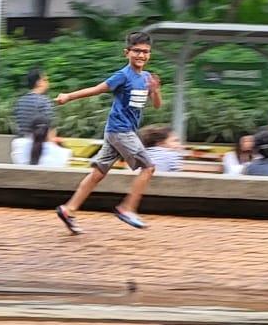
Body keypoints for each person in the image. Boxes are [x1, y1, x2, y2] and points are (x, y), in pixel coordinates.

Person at [52, 31, 162, 233]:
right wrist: (68, 97)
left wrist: (155, 90)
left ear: (150, 55)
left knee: (98, 173)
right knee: (149, 168)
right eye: (136, 51)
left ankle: (69, 209)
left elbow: (156, 105)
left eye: (145, 52)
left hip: (117, 132)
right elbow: (96, 89)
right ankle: (127, 208)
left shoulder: (146, 78)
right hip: (121, 131)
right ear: (126, 53)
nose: (141, 55)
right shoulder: (123, 76)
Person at [12, 68, 56, 157]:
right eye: (45, 80)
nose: (48, 83)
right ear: (38, 82)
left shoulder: (20, 101)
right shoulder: (44, 102)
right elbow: (49, 128)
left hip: (19, 147)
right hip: (38, 149)